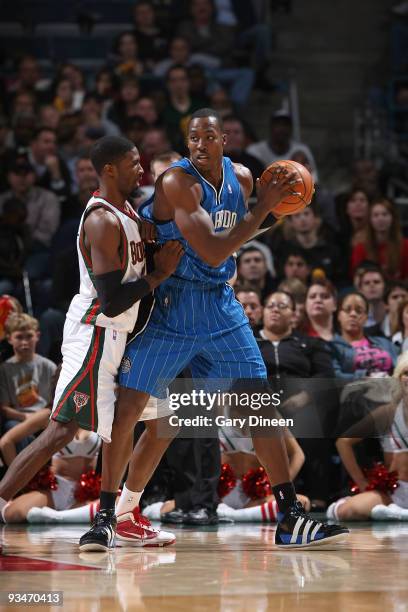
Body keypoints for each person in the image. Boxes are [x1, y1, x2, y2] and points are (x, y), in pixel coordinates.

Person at [80, 108, 349, 551]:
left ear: (224, 139)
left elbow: (249, 224)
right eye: (193, 138)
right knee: (132, 410)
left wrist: (282, 204)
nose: (200, 145)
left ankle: (291, 517)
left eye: (208, 137)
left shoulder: (242, 178)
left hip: (222, 307)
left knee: (257, 404)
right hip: (173, 304)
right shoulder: (176, 182)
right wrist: (265, 207)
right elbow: (211, 250)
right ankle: (108, 516)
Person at [0, 136, 183, 550]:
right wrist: (159, 273)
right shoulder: (101, 219)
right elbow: (113, 298)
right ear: (110, 170)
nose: (142, 169)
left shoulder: (128, 209)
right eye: (134, 163)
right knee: (62, 430)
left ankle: (124, 515)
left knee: (162, 420)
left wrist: (150, 243)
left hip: (126, 333)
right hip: (97, 332)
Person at [327, 352, 408, 522]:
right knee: (347, 511)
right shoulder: (388, 412)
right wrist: (361, 482)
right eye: (406, 373)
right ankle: (396, 513)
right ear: (399, 378)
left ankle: (395, 515)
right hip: (396, 491)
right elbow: (343, 443)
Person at [0, 314, 56, 465]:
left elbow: (54, 402)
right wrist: (26, 419)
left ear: (37, 336)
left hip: (45, 418)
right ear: (10, 338)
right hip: (19, 419)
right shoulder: (5, 369)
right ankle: (22, 478)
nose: (24, 342)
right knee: (13, 429)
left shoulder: (48, 366)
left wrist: (38, 419)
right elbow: (5, 408)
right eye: (19, 337)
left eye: (29, 336)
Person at [330, 292, 398, 381]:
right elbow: (335, 376)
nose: (353, 314)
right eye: (347, 310)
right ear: (339, 315)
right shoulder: (332, 347)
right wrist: (365, 377)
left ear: (366, 317)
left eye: (359, 311)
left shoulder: (384, 342)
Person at [350, 198, 408, 280]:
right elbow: (357, 278)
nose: (380, 219)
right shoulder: (360, 249)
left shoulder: (405, 245)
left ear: (392, 218)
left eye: (385, 214)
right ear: (370, 220)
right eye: (376, 215)